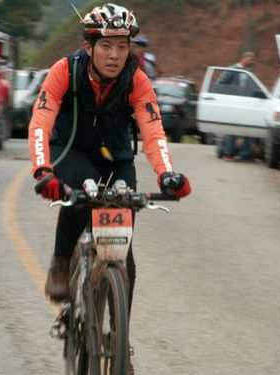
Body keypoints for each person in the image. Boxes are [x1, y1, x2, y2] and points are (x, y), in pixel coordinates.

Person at [29, 1, 191, 313]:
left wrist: (167, 174)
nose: (115, 55)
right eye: (105, 45)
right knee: (82, 192)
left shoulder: (137, 79)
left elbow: (153, 131)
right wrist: (42, 171)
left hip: (116, 158)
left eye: (122, 45)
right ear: (87, 47)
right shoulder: (65, 71)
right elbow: (40, 121)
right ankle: (61, 263)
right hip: (70, 150)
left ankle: (120, 340)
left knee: (122, 249)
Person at [217, 51, 256, 161]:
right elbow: (220, 83)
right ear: (246, 58)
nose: (253, 62)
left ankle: (245, 154)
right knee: (232, 129)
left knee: (247, 128)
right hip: (232, 103)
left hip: (244, 104)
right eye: (252, 59)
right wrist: (229, 95)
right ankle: (227, 153)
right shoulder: (232, 70)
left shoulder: (248, 72)